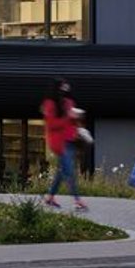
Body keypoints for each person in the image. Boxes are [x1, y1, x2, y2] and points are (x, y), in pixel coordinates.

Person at [40, 79, 88, 212]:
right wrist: (68, 116)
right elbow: (51, 125)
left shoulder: (69, 102)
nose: (65, 91)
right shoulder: (49, 104)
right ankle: (78, 200)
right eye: (63, 88)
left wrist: (77, 119)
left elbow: (71, 122)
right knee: (69, 170)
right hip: (59, 142)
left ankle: (50, 197)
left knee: (62, 171)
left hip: (71, 140)